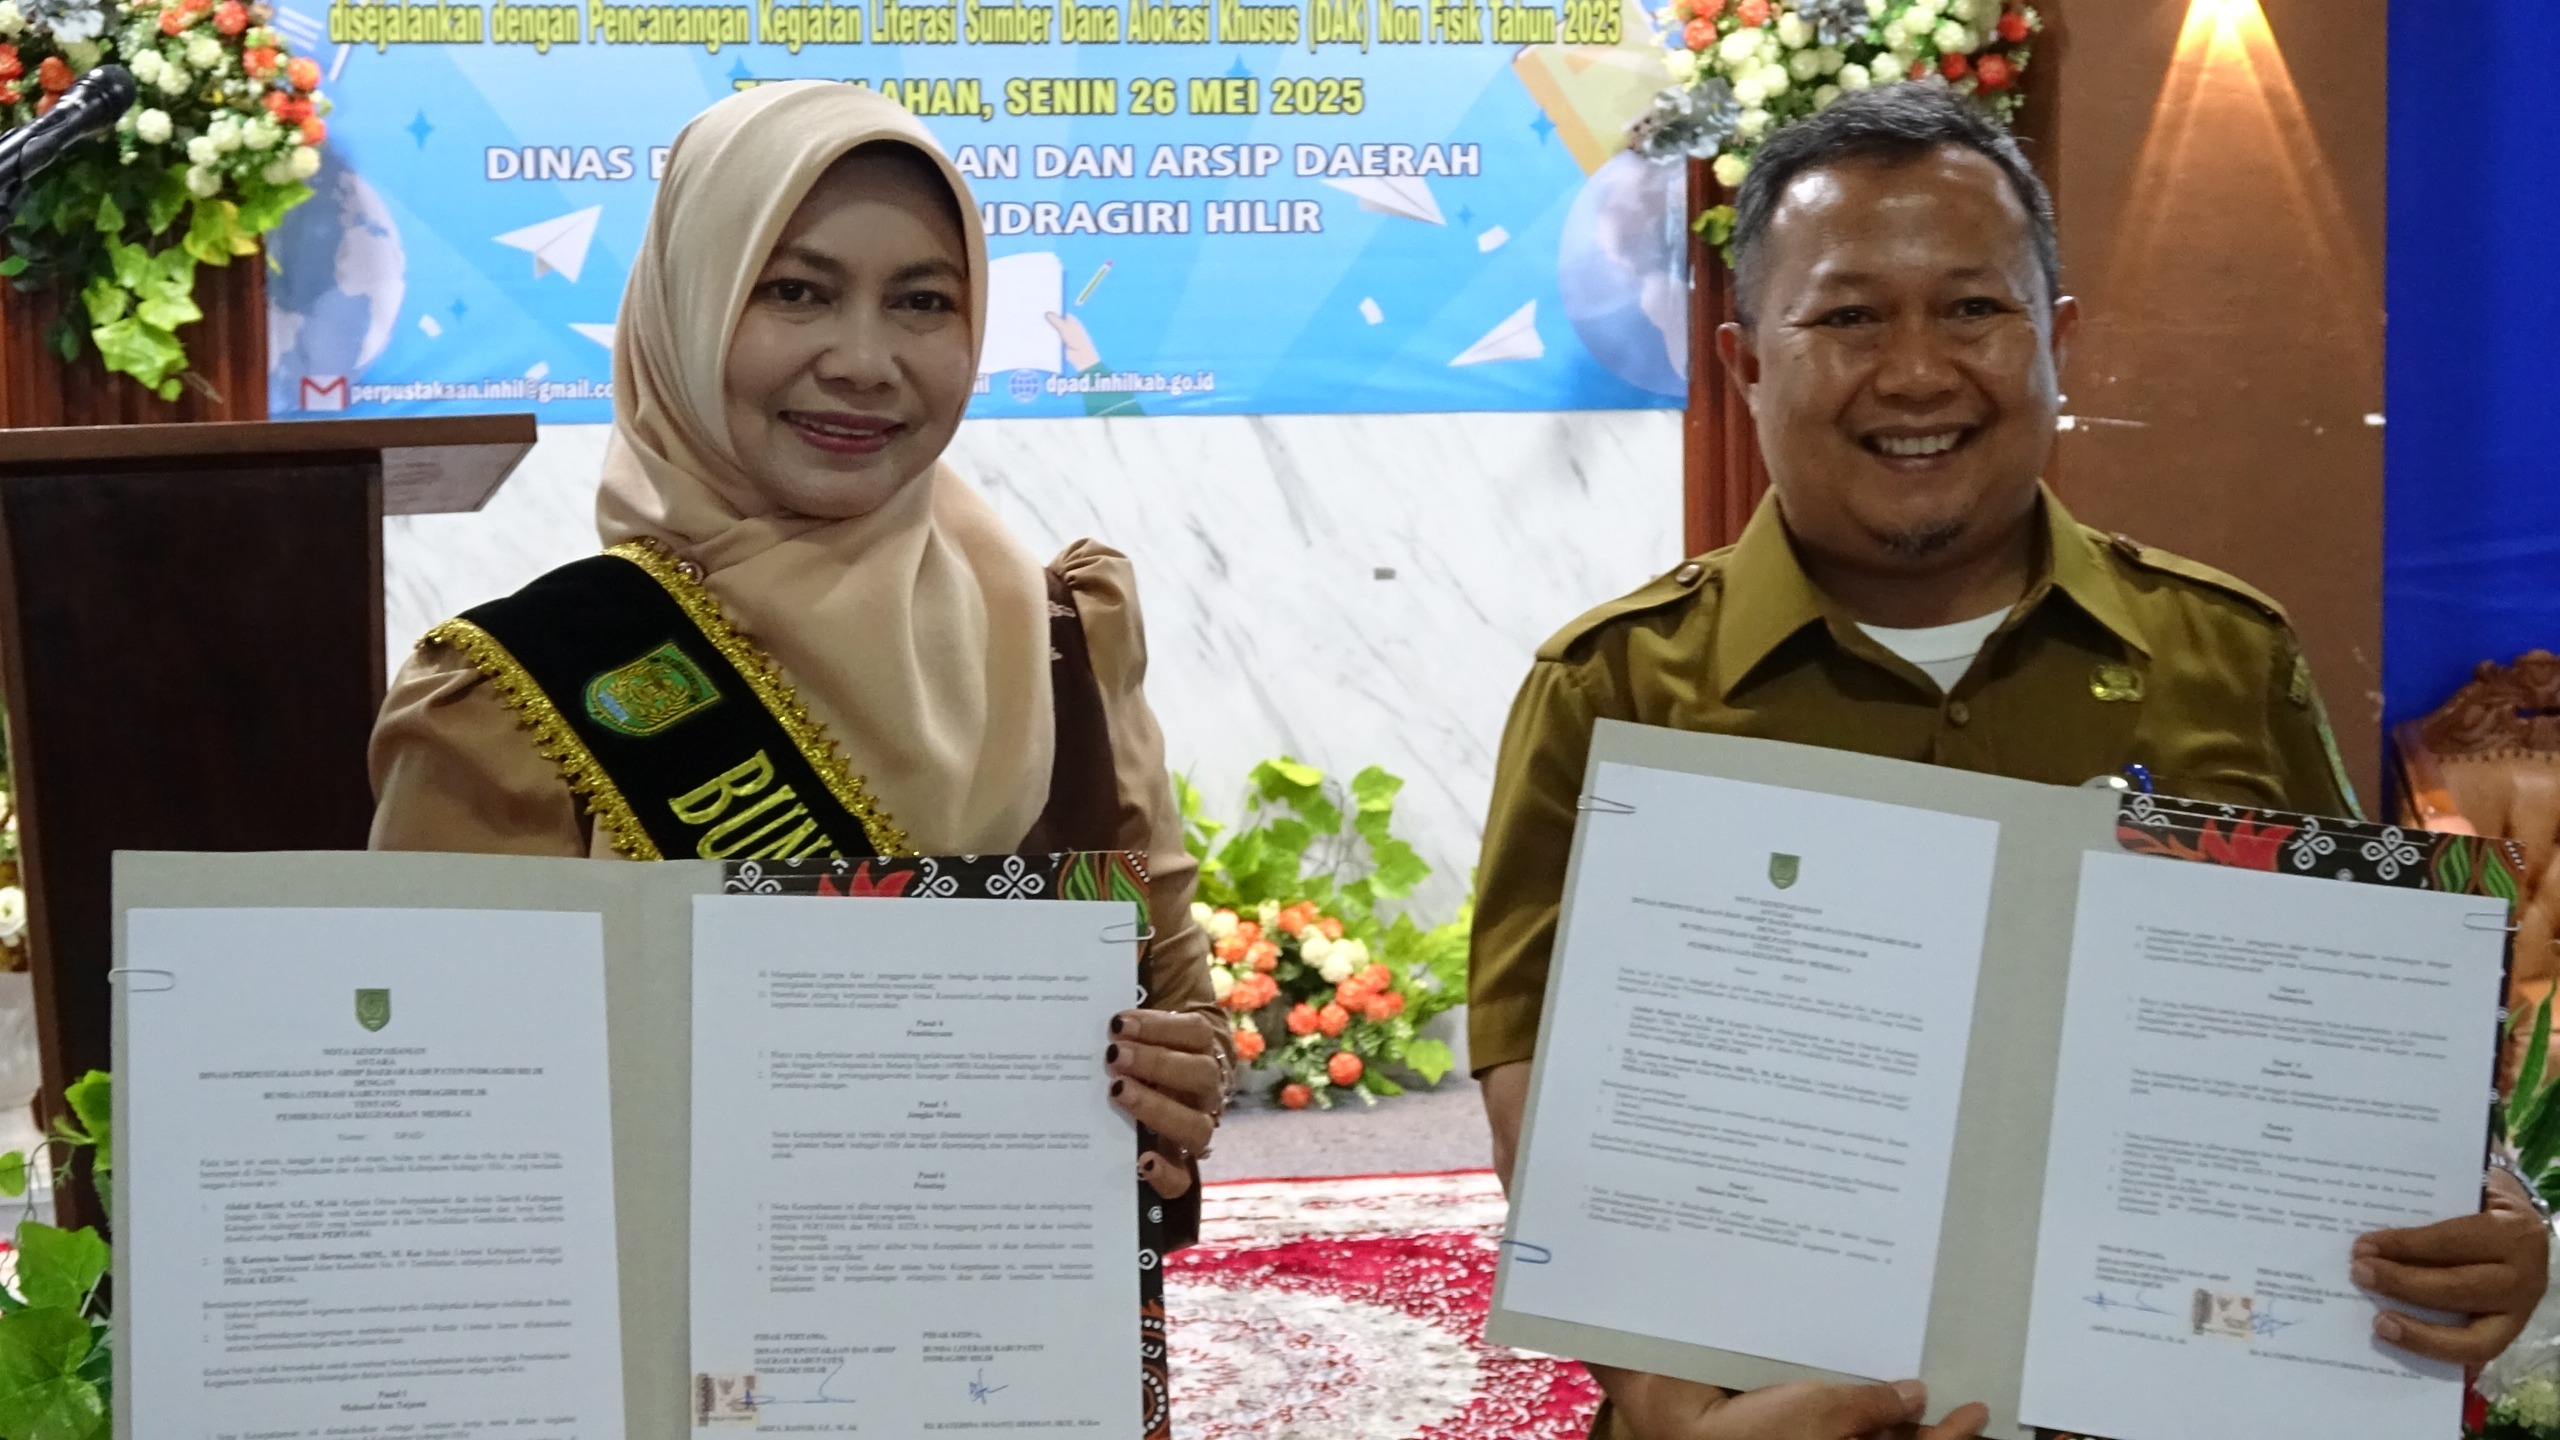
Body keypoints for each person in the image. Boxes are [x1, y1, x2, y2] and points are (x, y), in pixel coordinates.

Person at [1470, 82, 2550, 1440]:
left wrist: (2479, 1217)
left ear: (2059, 341)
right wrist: (1664, 1401)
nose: (1917, 374)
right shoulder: (1613, 690)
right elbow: (1541, 1095)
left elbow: (2349, 1045)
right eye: (1848, 317)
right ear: (1744, 363)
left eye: (1973, 308)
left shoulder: (2226, 655)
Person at [367, 81, 1228, 1213]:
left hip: (1002, 1304)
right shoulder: (514, 695)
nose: (865, 360)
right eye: (795, 292)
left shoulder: (1062, 634)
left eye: (923, 302)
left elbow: (1174, 1006)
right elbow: (432, 1125)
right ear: (687, 305)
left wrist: (1176, 1085)